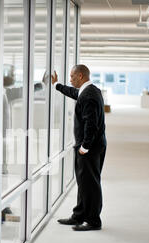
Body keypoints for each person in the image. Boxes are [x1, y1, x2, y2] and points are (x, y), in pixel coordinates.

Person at [51, 64, 107, 231]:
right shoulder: (90, 91)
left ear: (81, 76)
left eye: (72, 76)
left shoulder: (89, 95)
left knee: (90, 184)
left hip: (89, 148)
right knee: (84, 182)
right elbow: (75, 93)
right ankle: (79, 216)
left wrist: (84, 147)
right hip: (94, 146)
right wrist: (57, 85)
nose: (70, 79)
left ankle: (93, 221)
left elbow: (91, 124)